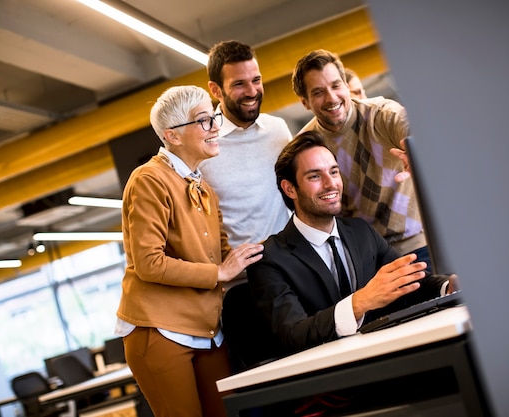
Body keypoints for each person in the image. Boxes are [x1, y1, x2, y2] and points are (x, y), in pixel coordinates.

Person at [115, 85, 263, 417]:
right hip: (159, 330)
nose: (215, 127)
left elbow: (225, 257)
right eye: (204, 121)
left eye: (214, 118)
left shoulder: (204, 189)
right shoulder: (148, 180)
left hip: (205, 327)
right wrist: (220, 273)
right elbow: (149, 264)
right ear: (173, 136)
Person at [247, 131, 457, 355]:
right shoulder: (268, 260)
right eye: (315, 176)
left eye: (334, 172)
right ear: (290, 189)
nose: (331, 184)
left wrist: (449, 287)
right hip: (328, 375)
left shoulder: (361, 231)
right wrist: (359, 303)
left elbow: (409, 283)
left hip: (388, 354)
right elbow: (292, 335)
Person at [291, 49, 431, 270]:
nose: (332, 98)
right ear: (305, 102)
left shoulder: (380, 114)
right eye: (318, 92)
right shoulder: (307, 145)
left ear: (346, 86)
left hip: (417, 248)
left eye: (336, 86)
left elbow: (409, 127)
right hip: (364, 263)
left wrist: (417, 150)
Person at [199, 40, 293, 252]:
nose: (252, 92)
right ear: (216, 90)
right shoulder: (201, 145)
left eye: (256, 80)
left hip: (289, 261)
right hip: (239, 276)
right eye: (239, 84)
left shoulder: (277, 129)